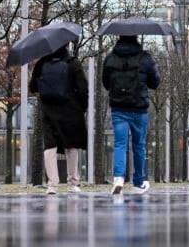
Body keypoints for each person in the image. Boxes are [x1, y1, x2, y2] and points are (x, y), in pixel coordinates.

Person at [101, 34, 161, 195]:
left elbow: (106, 83)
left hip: (119, 108)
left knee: (120, 144)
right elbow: (155, 83)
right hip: (139, 109)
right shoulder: (145, 58)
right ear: (136, 38)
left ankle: (118, 178)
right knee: (138, 146)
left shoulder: (110, 58)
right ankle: (138, 182)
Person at [31, 43, 89, 194]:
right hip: (70, 109)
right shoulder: (73, 63)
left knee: (50, 147)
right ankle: (72, 183)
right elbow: (83, 88)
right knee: (72, 146)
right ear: (67, 45)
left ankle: (52, 185)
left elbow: (33, 87)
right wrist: (82, 107)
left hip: (48, 110)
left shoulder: (42, 63)